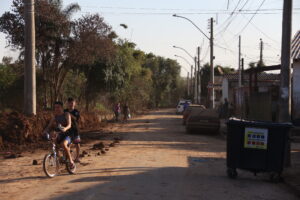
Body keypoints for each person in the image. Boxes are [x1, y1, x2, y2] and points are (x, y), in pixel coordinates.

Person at [43, 101, 74, 168]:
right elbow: (49, 125)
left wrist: (65, 128)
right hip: (60, 133)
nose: (56, 109)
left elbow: (69, 125)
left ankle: (71, 161)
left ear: (62, 107)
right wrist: (45, 131)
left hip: (68, 134)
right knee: (53, 144)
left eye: (58, 107)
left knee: (63, 144)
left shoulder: (66, 114)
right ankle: (59, 158)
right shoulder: (55, 116)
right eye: (55, 107)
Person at [64, 98, 81, 163]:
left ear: (74, 103)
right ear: (67, 103)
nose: (71, 104)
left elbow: (76, 118)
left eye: (72, 103)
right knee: (67, 144)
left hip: (75, 129)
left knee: (77, 143)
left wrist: (69, 114)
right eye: (69, 103)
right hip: (67, 129)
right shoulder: (64, 110)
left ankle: (77, 157)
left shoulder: (76, 111)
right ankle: (67, 157)